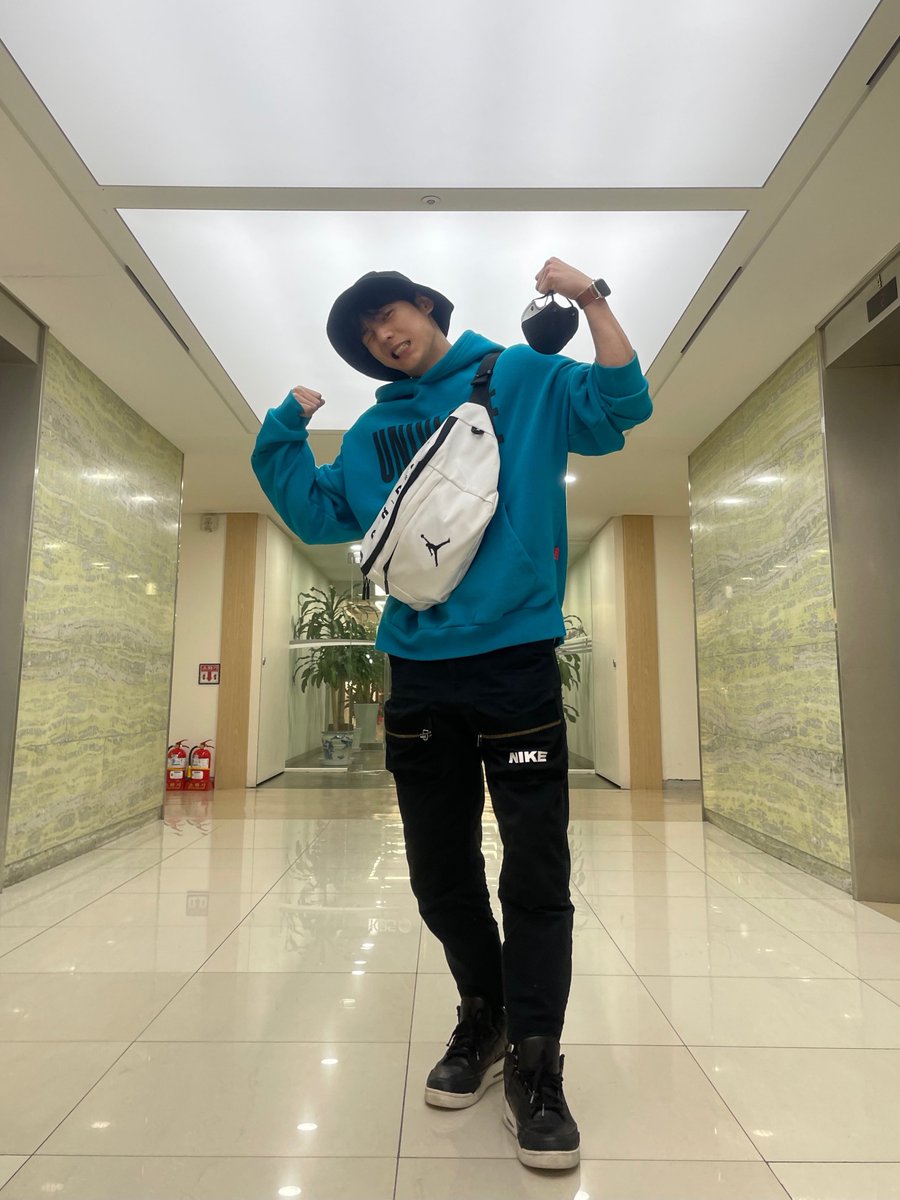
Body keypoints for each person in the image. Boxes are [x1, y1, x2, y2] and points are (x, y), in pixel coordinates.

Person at [251, 258, 652, 1170]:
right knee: (439, 872)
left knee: (536, 869)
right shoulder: (374, 431)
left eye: (388, 315)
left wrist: (590, 300)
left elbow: (621, 405)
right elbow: (317, 514)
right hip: (418, 668)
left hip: (515, 660)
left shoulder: (522, 375)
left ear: (426, 306)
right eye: (366, 336)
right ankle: (485, 1012)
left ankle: (539, 1063)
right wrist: (283, 431)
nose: (381, 338)